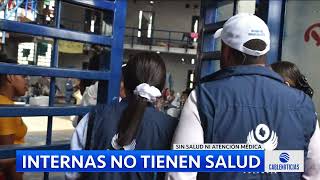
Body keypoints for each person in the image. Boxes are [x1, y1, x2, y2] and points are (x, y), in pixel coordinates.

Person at [167, 14, 320, 180]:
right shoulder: (303, 104)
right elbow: (315, 172)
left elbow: (181, 173)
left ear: (226, 52)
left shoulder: (203, 97)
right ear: (265, 51)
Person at [67, 52, 178, 180]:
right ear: (162, 89)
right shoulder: (174, 128)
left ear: (123, 81)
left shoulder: (93, 118)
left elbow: (72, 174)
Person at [0, 58, 28, 180]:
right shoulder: (6, 106)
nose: (27, 80)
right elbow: (8, 159)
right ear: (10, 76)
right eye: (23, 76)